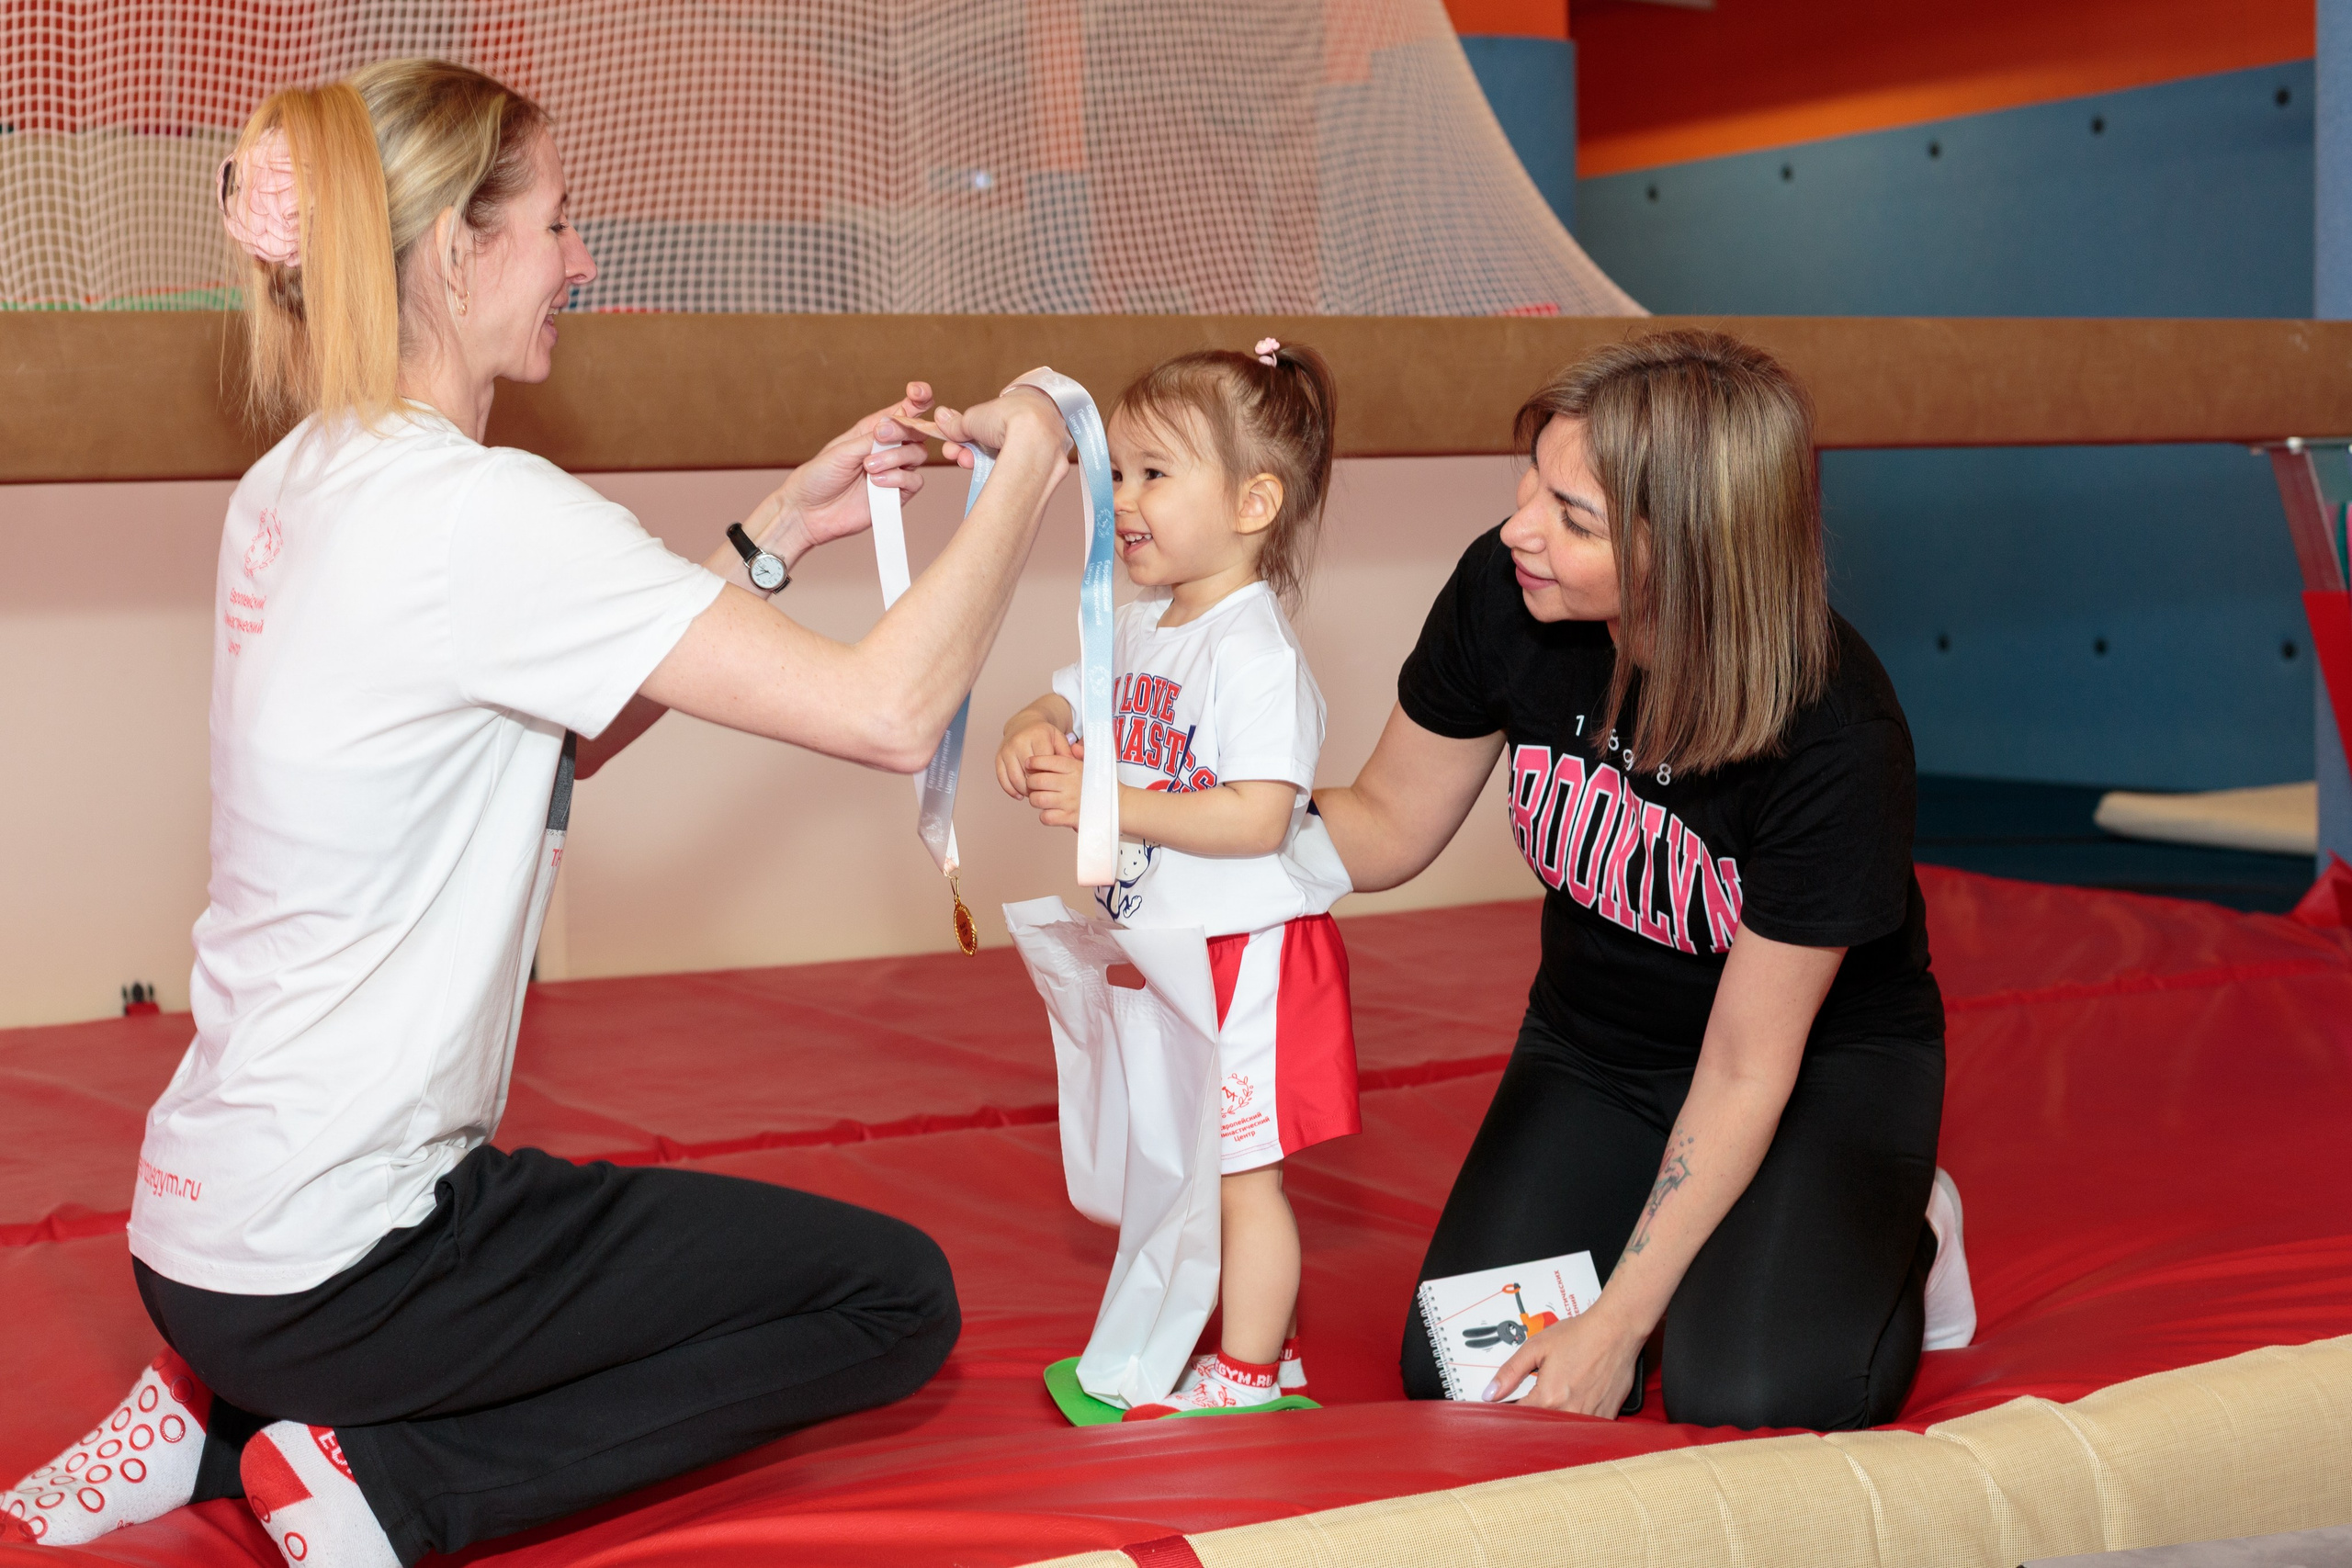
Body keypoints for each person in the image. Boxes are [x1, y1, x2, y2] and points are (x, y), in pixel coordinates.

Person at [1, 62, 1075, 1566]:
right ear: (455, 251)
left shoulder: (299, 482)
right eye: (560, 223)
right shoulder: (479, 513)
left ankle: (211, 1417)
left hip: (196, 1243)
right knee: (893, 1297)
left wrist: (773, 531)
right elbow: (893, 715)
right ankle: (388, 1484)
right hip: (350, 1269)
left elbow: (521, 755)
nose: (582, 257)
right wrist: (1035, 463)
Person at [1312, 331, 1975, 1431]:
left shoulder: (1834, 733)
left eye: (1575, 519)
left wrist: (1618, 1324)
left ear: (1696, 550)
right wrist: (1161, 813)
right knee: (1467, 1382)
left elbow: (1743, 1065)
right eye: (1534, 481)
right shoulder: (1508, 591)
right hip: (1596, 1049)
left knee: (1754, 1398)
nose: (1521, 525)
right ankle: (1682, 1234)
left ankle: (1909, 1227)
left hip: (1805, 1073)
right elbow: (1382, 826)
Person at [995, 340, 1358, 1418]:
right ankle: (1270, 1347)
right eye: (1117, 473)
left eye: (1156, 473)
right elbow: (1068, 699)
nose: (1125, 498)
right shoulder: (1147, 624)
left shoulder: (1254, 653)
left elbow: (1257, 817)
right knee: (1184, 1158)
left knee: (1241, 1175)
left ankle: (1247, 1376)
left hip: (1246, 954)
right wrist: (1031, 726)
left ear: (1254, 501)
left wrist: (1115, 807)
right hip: (1170, 946)